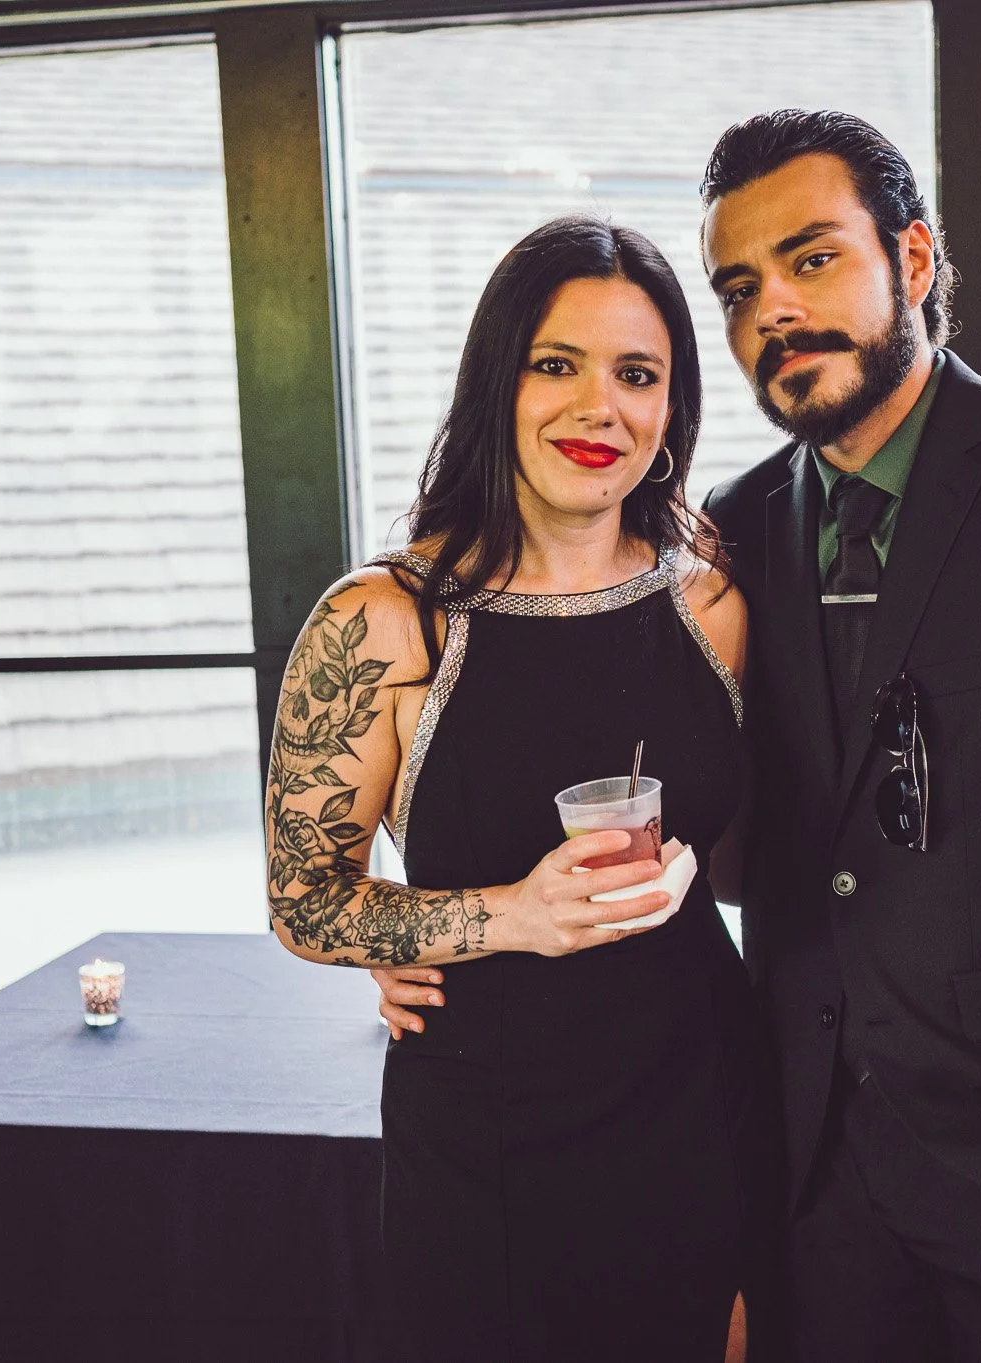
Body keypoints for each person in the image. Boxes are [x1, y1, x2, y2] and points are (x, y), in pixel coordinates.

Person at [379, 110, 981, 1362]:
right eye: (739, 289)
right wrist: (424, 937)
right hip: (796, 1176)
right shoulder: (727, 536)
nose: (773, 312)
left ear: (912, 258)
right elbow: (689, 818)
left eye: (810, 259)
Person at [265, 215, 767, 1362]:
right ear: (497, 381)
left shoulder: (710, 597)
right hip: (486, 1135)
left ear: (672, 406)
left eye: (636, 374)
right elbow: (302, 899)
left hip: (702, 1097)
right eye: (556, 364)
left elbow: (742, 855)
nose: (599, 407)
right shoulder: (384, 622)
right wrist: (500, 916)